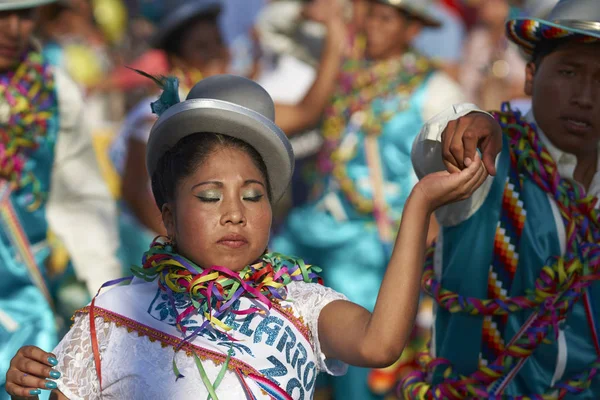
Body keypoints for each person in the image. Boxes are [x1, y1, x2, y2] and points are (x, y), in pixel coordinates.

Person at [4, 73, 488, 399]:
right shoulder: (116, 312)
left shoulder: (302, 303)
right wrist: (28, 387)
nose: (235, 213)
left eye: (254, 196)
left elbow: (380, 345)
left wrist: (420, 203)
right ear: (168, 218)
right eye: (211, 197)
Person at [403, 0, 600, 397]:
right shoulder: (486, 160)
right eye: (568, 71)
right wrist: (471, 122)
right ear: (529, 76)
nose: (584, 95)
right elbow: (434, 146)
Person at [271, 0, 465, 398]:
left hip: (371, 239)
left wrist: (425, 247)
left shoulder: (436, 89)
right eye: (370, 15)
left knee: (360, 356)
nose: (372, 26)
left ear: (412, 30)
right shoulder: (345, 70)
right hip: (313, 223)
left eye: (386, 18)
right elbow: (274, 26)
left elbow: (445, 175)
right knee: (271, 305)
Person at [0, 0, 121, 397]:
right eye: (1, 15)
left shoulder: (52, 90)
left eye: (25, 14)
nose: (14, 28)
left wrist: (109, 303)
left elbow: (82, 200)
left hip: (20, 307)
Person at [108, 0, 230, 272]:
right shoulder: (158, 111)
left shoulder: (218, 104)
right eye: (201, 47)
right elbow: (134, 192)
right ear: (177, 59)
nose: (215, 54)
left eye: (218, 42)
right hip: (155, 252)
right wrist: (182, 249)